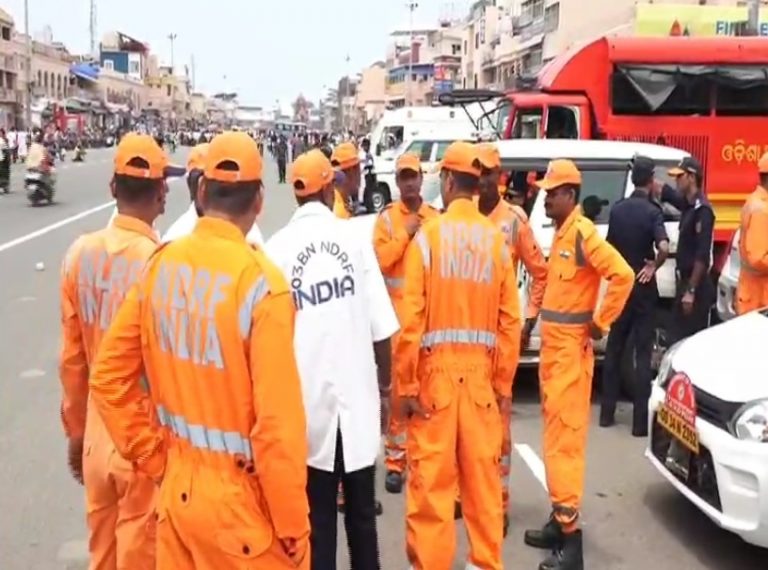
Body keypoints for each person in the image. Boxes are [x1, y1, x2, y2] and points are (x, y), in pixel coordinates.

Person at [88, 131, 311, 570]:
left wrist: (155, 458)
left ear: (202, 192)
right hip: (241, 510)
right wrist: (293, 527)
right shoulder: (263, 285)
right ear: (260, 201)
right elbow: (277, 431)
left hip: (176, 493)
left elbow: (108, 377)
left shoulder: (161, 264)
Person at [265, 149, 398, 570]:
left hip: (305, 413)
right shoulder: (354, 241)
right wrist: (386, 389)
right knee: (362, 519)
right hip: (357, 404)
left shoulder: (275, 251)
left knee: (316, 522)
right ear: (328, 189)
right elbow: (381, 329)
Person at [396, 141, 521, 570]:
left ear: (448, 182)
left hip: (434, 382)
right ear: (474, 185)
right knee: (483, 489)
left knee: (432, 490)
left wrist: (407, 384)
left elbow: (410, 320)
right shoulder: (496, 243)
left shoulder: (427, 239)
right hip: (482, 384)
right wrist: (503, 385)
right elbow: (510, 323)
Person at [58, 133, 172, 570]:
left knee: (101, 554)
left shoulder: (78, 255)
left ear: (111, 189)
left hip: (95, 440)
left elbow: (72, 360)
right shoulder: (159, 264)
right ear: (162, 192)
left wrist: (75, 431)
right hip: (141, 440)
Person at [523, 159, 633, 570]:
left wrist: (601, 322)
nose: (546, 198)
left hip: (570, 356)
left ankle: (571, 544)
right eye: (545, 192)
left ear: (570, 194)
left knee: (564, 446)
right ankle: (559, 518)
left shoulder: (583, 234)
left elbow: (621, 275)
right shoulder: (564, 235)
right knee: (554, 444)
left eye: (552, 193)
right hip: (555, 356)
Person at [473, 142, 548, 535]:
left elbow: (541, 271)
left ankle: (498, 505)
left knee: (498, 431)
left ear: (498, 177)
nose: (482, 180)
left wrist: (529, 320)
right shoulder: (462, 218)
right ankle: (468, 498)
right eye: (477, 173)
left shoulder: (514, 221)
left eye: (487, 173)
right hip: (465, 341)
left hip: (500, 341)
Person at [371, 152, 439, 494]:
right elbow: (380, 261)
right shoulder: (386, 221)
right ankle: (395, 463)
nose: (409, 182)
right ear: (396, 182)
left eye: (413, 176)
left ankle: (423, 459)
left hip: (429, 323)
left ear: (421, 178)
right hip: (398, 327)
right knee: (398, 397)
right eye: (403, 177)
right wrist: (406, 234)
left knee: (427, 395)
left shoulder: (436, 219)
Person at [600, 155, 670, 436]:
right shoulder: (653, 212)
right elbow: (663, 245)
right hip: (643, 288)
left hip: (621, 287)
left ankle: (606, 414)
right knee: (642, 354)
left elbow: (608, 248)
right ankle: (640, 425)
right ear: (651, 180)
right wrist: (654, 265)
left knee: (614, 348)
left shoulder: (618, 210)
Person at [162, 142, 265, 245]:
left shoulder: (250, 234)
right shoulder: (177, 235)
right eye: (197, 177)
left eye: (208, 179)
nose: (199, 184)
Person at [667, 156, 715, 342]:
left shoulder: (702, 211)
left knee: (690, 342)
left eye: (680, 177)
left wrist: (691, 291)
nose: (676, 181)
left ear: (692, 178)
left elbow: (702, 256)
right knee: (676, 339)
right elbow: (669, 194)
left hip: (696, 288)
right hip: (684, 283)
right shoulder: (688, 206)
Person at [736, 152, 768, 314]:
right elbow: (758, 259)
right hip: (759, 300)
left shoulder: (756, 201)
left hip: (755, 296)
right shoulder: (762, 210)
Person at [331, 142, 362, 218]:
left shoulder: (336, 200)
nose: (360, 174)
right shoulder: (340, 212)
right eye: (359, 168)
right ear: (352, 170)